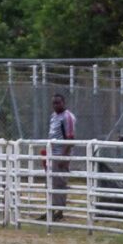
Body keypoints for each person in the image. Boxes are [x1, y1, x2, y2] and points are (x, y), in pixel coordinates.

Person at [47, 93, 76, 222]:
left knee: (60, 183)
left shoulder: (68, 117)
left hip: (61, 154)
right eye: (54, 103)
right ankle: (51, 209)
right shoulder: (53, 116)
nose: (55, 105)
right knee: (51, 183)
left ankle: (59, 211)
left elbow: (70, 138)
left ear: (63, 103)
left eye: (58, 103)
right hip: (52, 154)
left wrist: (64, 158)